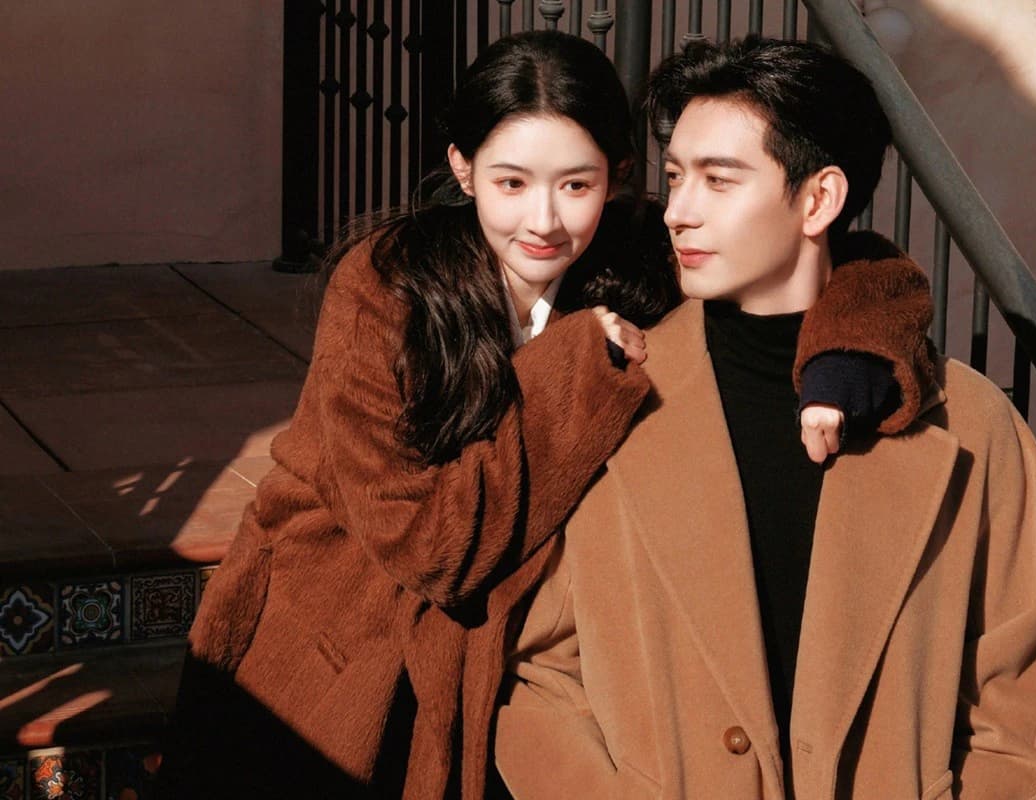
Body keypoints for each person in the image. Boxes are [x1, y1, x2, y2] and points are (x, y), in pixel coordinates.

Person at [159, 32, 933, 799]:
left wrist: (847, 347)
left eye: (576, 185)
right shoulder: (388, 288)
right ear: (463, 169)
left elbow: (850, 262)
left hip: (516, 659)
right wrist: (571, 368)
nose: (544, 221)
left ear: (616, 176)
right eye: (511, 182)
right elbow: (428, 549)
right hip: (335, 649)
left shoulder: (640, 260)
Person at [495, 37, 1036, 800]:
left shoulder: (970, 425)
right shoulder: (610, 394)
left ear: (819, 200)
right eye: (675, 177)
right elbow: (538, 666)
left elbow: (1024, 691)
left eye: (718, 180)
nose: (679, 212)